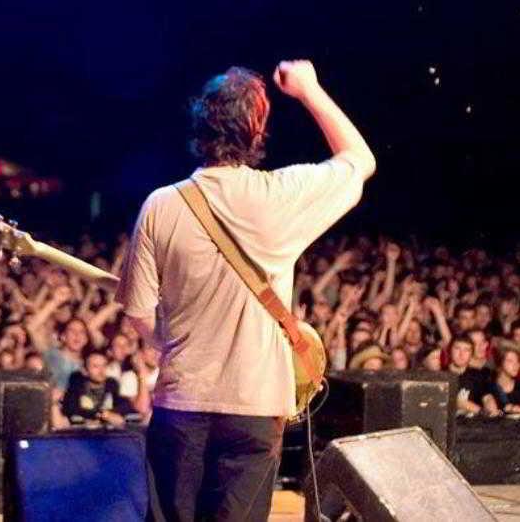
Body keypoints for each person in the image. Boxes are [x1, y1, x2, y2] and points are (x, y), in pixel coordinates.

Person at [116, 60, 375, 521]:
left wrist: (172, 344)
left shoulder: (161, 205)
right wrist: (310, 90)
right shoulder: (281, 195)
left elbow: (138, 313)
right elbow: (360, 160)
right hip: (255, 408)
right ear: (257, 132)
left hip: (183, 403)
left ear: (199, 124)